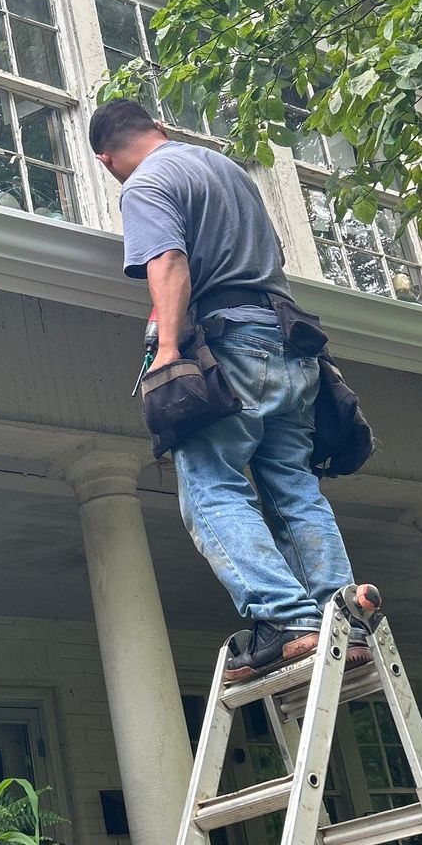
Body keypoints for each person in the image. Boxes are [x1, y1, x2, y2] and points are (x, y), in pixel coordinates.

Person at [89, 98, 361, 679]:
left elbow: (168, 260)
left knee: (212, 488)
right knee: (294, 487)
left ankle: (288, 622)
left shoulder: (144, 183)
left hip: (229, 342)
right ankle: (342, 619)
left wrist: (166, 350)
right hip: (291, 344)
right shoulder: (227, 170)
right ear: (159, 128)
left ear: (106, 158)